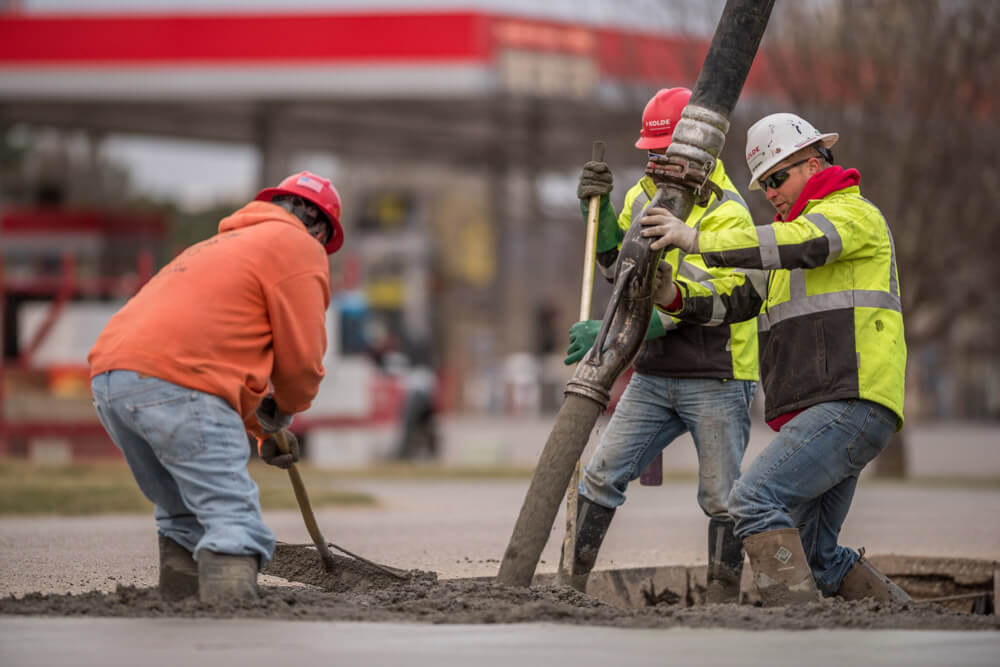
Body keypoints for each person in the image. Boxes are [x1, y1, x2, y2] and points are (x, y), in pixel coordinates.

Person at [639, 112, 910, 605]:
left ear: (813, 162)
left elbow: (798, 244)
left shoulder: (852, 215)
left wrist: (695, 239)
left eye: (778, 178)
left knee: (752, 499)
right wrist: (672, 295)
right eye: (764, 185)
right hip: (830, 409)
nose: (772, 193)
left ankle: (791, 632)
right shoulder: (789, 242)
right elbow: (735, 301)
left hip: (850, 401)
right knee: (816, 557)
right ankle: (911, 623)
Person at [88, 170, 344, 602]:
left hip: (113, 378)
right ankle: (230, 624)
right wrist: (287, 407)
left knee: (183, 513)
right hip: (179, 383)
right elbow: (301, 360)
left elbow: (216, 363)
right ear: (319, 228)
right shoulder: (299, 246)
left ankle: (182, 601)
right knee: (231, 517)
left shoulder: (215, 246)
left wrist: (264, 430)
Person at [563, 87, 765, 603]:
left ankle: (722, 600)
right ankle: (569, 587)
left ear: (698, 154)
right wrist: (601, 213)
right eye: (650, 155)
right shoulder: (644, 195)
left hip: (717, 376)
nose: (655, 165)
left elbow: (697, 304)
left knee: (722, 498)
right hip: (655, 375)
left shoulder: (727, 215)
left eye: (665, 155)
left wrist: (611, 333)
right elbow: (620, 272)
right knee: (601, 475)